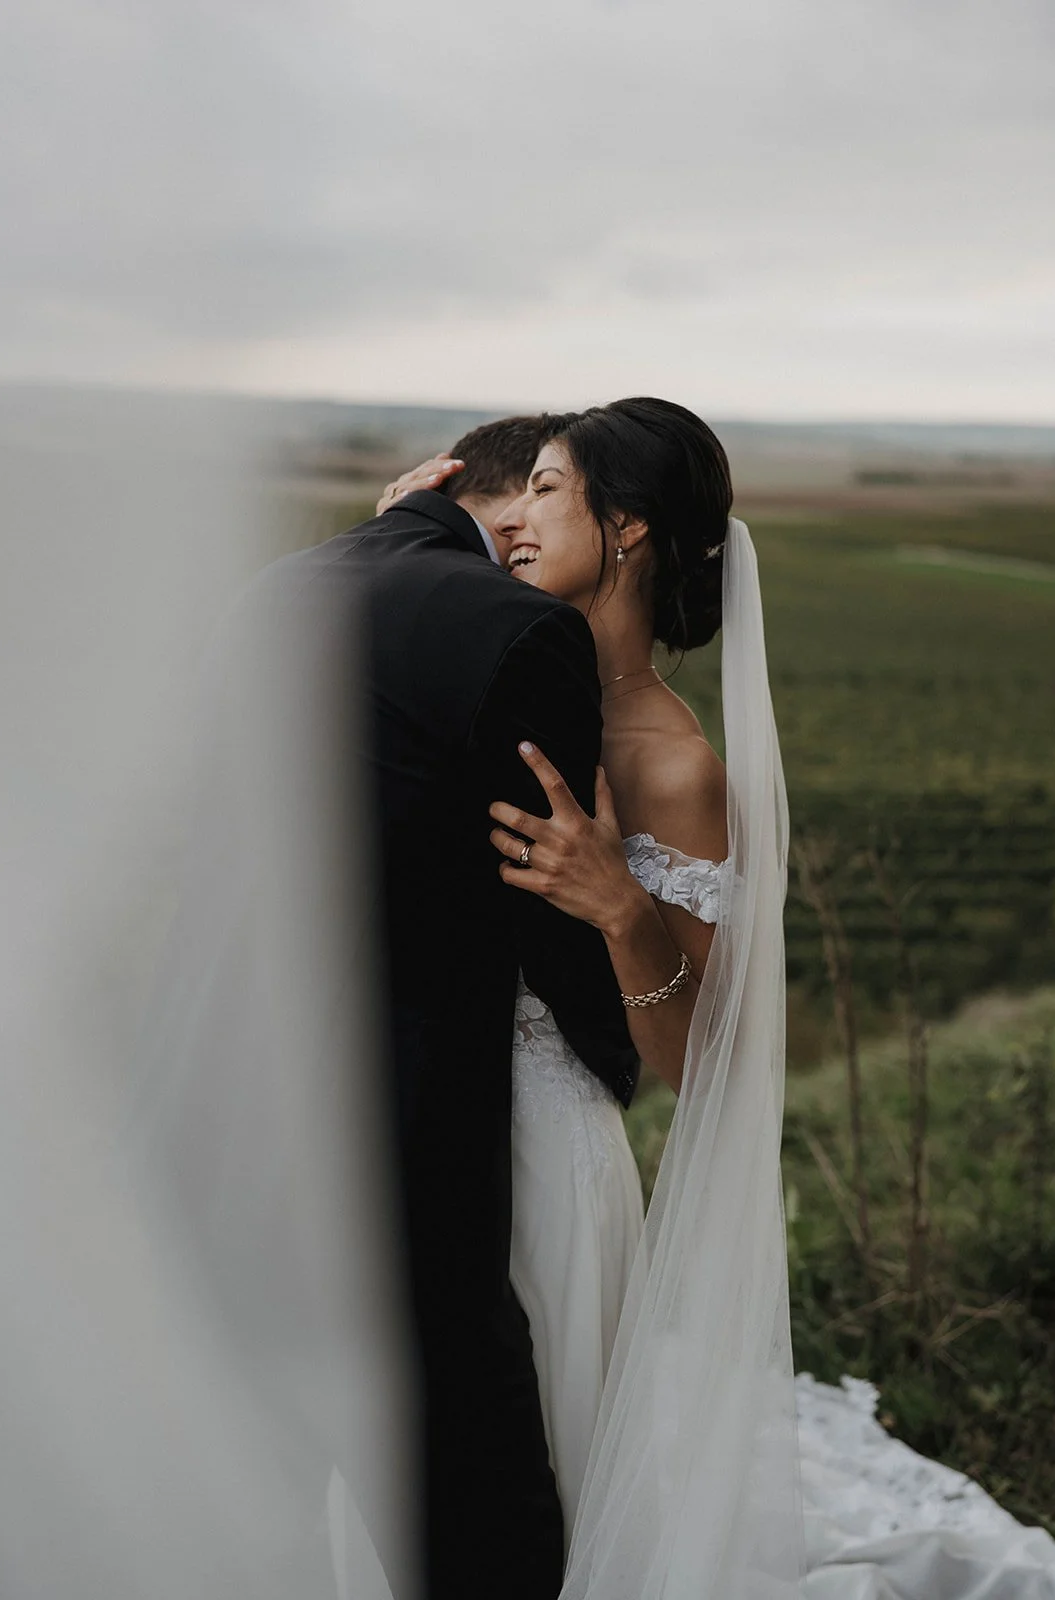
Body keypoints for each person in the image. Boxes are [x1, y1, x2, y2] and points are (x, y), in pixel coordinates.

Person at [382, 399, 803, 1598]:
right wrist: (389, 543)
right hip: (421, 1119)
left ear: (623, 531)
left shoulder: (673, 767)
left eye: (548, 492)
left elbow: (697, 1061)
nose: (511, 518)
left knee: (536, 1490)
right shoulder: (506, 675)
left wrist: (618, 905)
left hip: (547, 1163)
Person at [275, 412, 642, 1600]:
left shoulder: (298, 584)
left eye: (558, 492)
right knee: (490, 1426)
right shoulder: (515, 631)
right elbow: (525, 893)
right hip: (466, 1091)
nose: (531, 525)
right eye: (526, 493)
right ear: (474, 495)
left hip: (315, 1071)